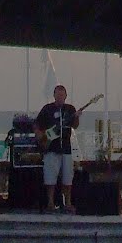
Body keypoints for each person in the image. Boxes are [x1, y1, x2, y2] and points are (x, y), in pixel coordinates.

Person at [34, 84, 80, 213]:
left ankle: (68, 203)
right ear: (54, 95)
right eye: (58, 95)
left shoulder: (70, 109)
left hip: (65, 147)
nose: (60, 97)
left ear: (66, 96)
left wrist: (76, 117)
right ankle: (50, 203)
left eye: (62, 95)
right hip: (51, 148)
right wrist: (40, 136)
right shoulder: (47, 109)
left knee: (67, 177)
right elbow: (37, 124)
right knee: (50, 177)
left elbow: (75, 126)